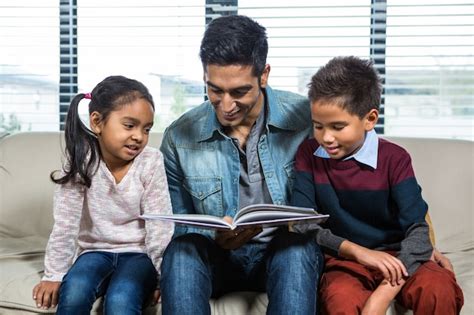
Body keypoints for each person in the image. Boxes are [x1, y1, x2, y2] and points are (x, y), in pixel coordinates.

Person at [159, 15, 323, 315]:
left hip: (282, 256)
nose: (225, 104)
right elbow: (176, 224)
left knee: (298, 248)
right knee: (181, 252)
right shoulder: (178, 138)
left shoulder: (307, 121)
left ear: (264, 75)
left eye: (238, 92)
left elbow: (363, 171)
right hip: (217, 259)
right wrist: (215, 237)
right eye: (214, 89)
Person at [291, 56, 464, 314]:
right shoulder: (308, 154)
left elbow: (418, 230)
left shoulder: (395, 158)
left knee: (439, 289)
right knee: (341, 300)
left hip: (402, 258)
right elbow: (303, 223)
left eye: (338, 126)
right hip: (345, 262)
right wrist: (358, 253)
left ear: (370, 119)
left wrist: (383, 294)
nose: (326, 137)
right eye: (318, 126)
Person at [32, 76, 174, 314]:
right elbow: (65, 223)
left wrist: (163, 277)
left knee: (121, 299)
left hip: (139, 255)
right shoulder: (81, 160)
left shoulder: (151, 161)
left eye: (146, 129)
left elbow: (160, 225)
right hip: (93, 252)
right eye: (129, 126)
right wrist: (54, 274)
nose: (139, 136)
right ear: (97, 122)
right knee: (75, 289)